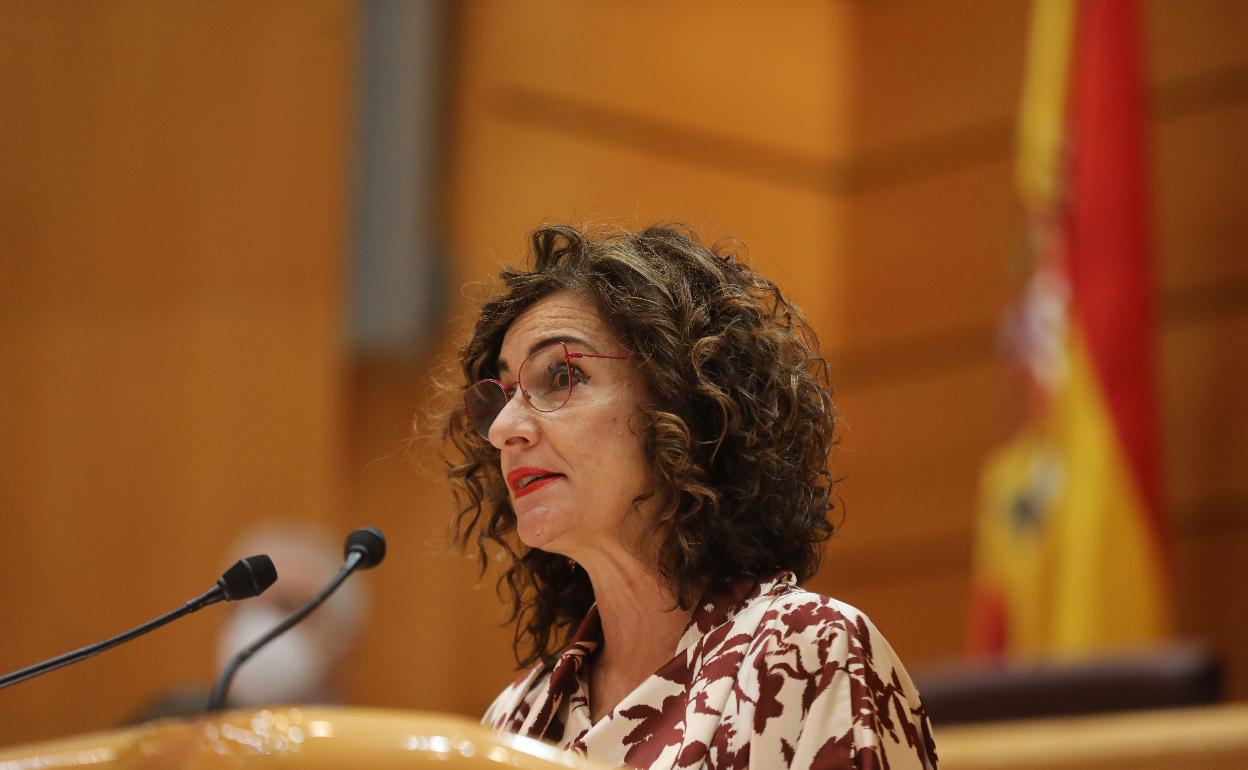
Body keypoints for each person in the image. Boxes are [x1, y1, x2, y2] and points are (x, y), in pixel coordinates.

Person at [445, 224, 937, 769]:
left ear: (681, 400)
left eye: (561, 374)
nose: (503, 429)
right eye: (504, 395)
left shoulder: (807, 652)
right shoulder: (513, 720)